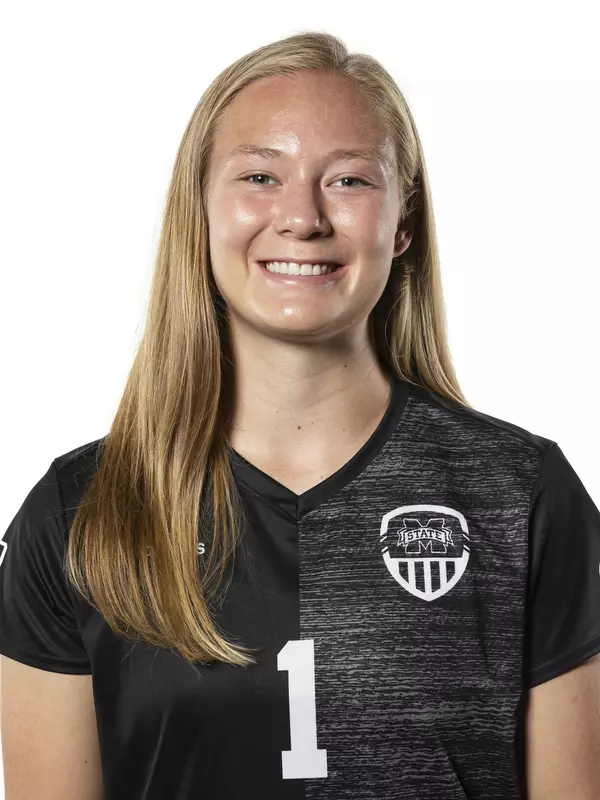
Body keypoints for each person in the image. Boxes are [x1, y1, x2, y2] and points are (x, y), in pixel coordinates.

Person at [1, 29, 599, 800]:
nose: (302, 217)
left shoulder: (521, 496)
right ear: (199, 210)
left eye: (349, 180)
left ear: (403, 221)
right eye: (260, 176)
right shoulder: (83, 511)